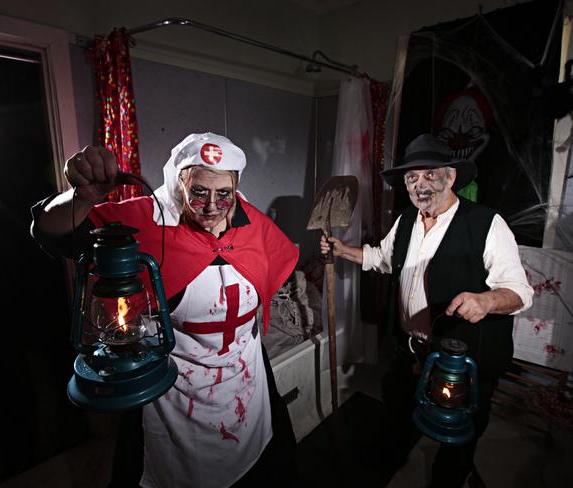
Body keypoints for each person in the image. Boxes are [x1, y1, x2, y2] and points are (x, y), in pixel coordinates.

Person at [31, 132, 300, 487]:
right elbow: (49, 231)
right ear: (179, 184)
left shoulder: (252, 224)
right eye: (199, 192)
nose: (211, 207)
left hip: (249, 393)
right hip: (177, 402)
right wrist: (82, 198)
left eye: (224, 194)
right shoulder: (147, 223)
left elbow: (277, 262)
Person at [320, 133, 533, 487]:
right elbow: (383, 259)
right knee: (397, 410)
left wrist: (488, 300)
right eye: (411, 178)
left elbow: (520, 292)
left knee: (460, 433)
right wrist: (344, 251)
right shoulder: (406, 220)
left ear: (450, 177)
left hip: (460, 358)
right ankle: (391, 457)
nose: (420, 185)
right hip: (410, 350)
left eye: (429, 175)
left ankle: (448, 479)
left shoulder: (486, 224)